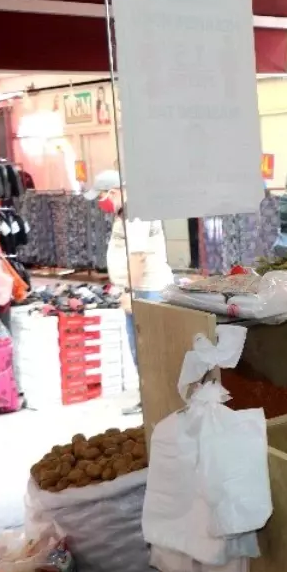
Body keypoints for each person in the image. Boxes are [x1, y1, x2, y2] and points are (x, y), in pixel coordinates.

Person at [93, 170, 174, 415]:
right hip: (142, 291)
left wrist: (130, 291)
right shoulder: (127, 211)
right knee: (142, 350)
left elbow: (137, 256)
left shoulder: (136, 212)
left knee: (147, 350)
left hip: (146, 292)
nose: (100, 202)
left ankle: (158, 403)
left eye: (101, 196)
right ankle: (151, 400)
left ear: (113, 192)